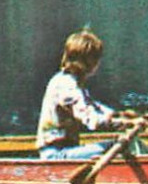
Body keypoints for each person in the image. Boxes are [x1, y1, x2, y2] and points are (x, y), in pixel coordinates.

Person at [37, 28, 132, 160]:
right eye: (96, 59)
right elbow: (89, 118)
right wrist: (120, 123)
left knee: (122, 145)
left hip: (66, 150)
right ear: (89, 61)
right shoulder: (65, 86)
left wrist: (123, 116)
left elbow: (94, 106)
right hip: (55, 154)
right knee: (117, 145)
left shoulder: (72, 83)